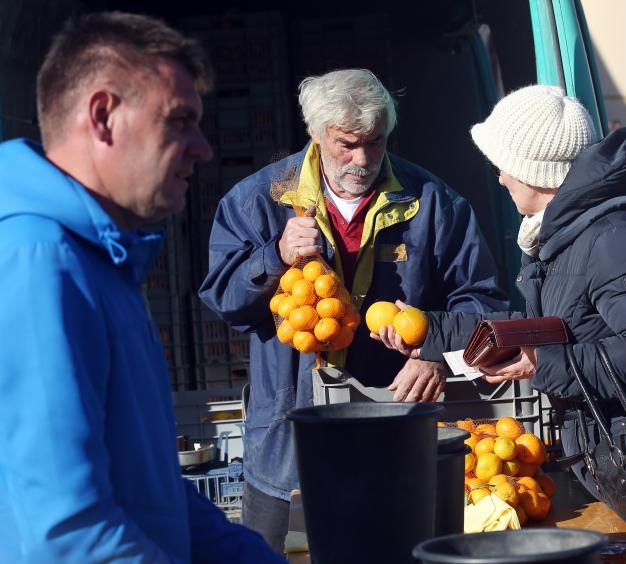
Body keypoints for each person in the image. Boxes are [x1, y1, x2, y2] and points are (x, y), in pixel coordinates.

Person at [374, 85, 626, 563]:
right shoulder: (567, 235)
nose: (500, 178)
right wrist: (431, 332)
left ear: (537, 170)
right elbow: (545, 327)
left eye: (504, 165)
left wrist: (543, 363)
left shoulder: (614, 237)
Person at [0, 12, 283, 563]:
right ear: (103, 116)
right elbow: (66, 535)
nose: (203, 148)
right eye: (179, 121)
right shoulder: (40, 263)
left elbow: (150, 492)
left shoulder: (103, 262)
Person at [198, 68, 508, 552]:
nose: (362, 159)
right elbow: (223, 300)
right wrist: (273, 256)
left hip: (398, 439)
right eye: (347, 144)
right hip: (287, 445)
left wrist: (437, 354)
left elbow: (482, 300)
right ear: (316, 133)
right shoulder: (257, 200)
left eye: (375, 142)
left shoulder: (434, 202)